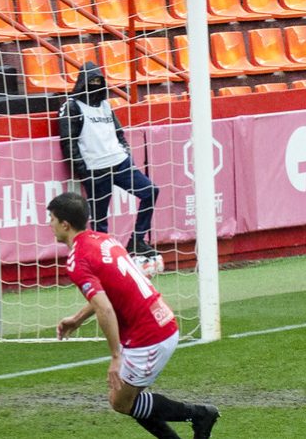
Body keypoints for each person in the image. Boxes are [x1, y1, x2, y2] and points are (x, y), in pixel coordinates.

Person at [47, 192, 219, 439]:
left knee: (121, 401)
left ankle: (199, 414)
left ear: (65, 224)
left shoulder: (77, 260)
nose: (49, 224)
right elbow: (111, 291)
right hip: (159, 320)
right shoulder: (105, 240)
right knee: (127, 397)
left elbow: (105, 308)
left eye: (52, 218)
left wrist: (115, 356)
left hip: (149, 335)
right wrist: (77, 319)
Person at [58, 61, 160, 257]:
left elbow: (118, 132)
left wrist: (125, 152)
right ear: (82, 82)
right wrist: (82, 168)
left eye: (99, 81)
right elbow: (68, 141)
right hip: (95, 168)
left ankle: (137, 240)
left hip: (120, 162)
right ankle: (101, 257)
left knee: (149, 191)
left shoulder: (106, 105)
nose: (95, 85)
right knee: (100, 219)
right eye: (91, 81)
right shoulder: (71, 106)